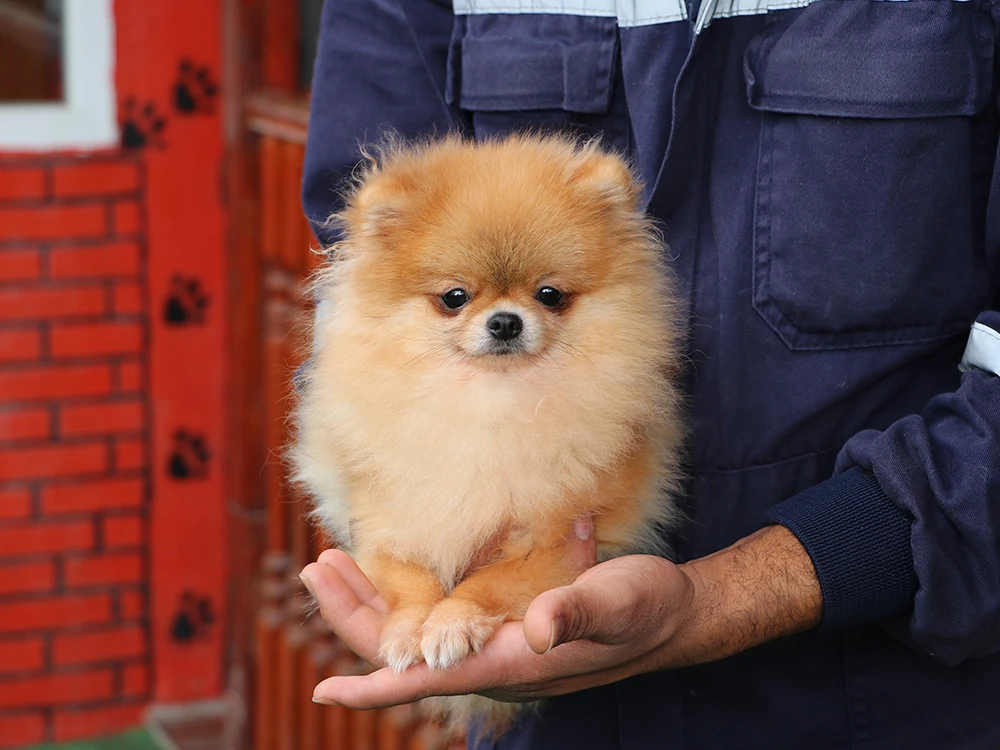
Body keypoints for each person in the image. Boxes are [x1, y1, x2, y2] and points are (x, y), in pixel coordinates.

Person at [297, 1, 1000, 747]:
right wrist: (394, 526)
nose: (501, 320)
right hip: (551, 710)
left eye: (545, 298)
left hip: (900, 682)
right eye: (459, 301)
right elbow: (360, 259)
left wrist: (737, 593)